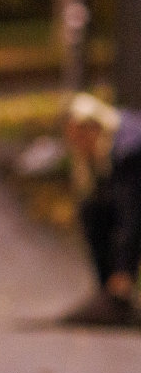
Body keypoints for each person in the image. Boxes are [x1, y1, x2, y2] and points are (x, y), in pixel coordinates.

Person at [59, 93, 141, 326]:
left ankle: (119, 289)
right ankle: (109, 292)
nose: (76, 145)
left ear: (91, 128)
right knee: (92, 209)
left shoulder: (129, 149)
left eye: (78, 137)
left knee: (110, 210)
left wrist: (124, 270)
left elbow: (132, 217)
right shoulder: (111, 141)